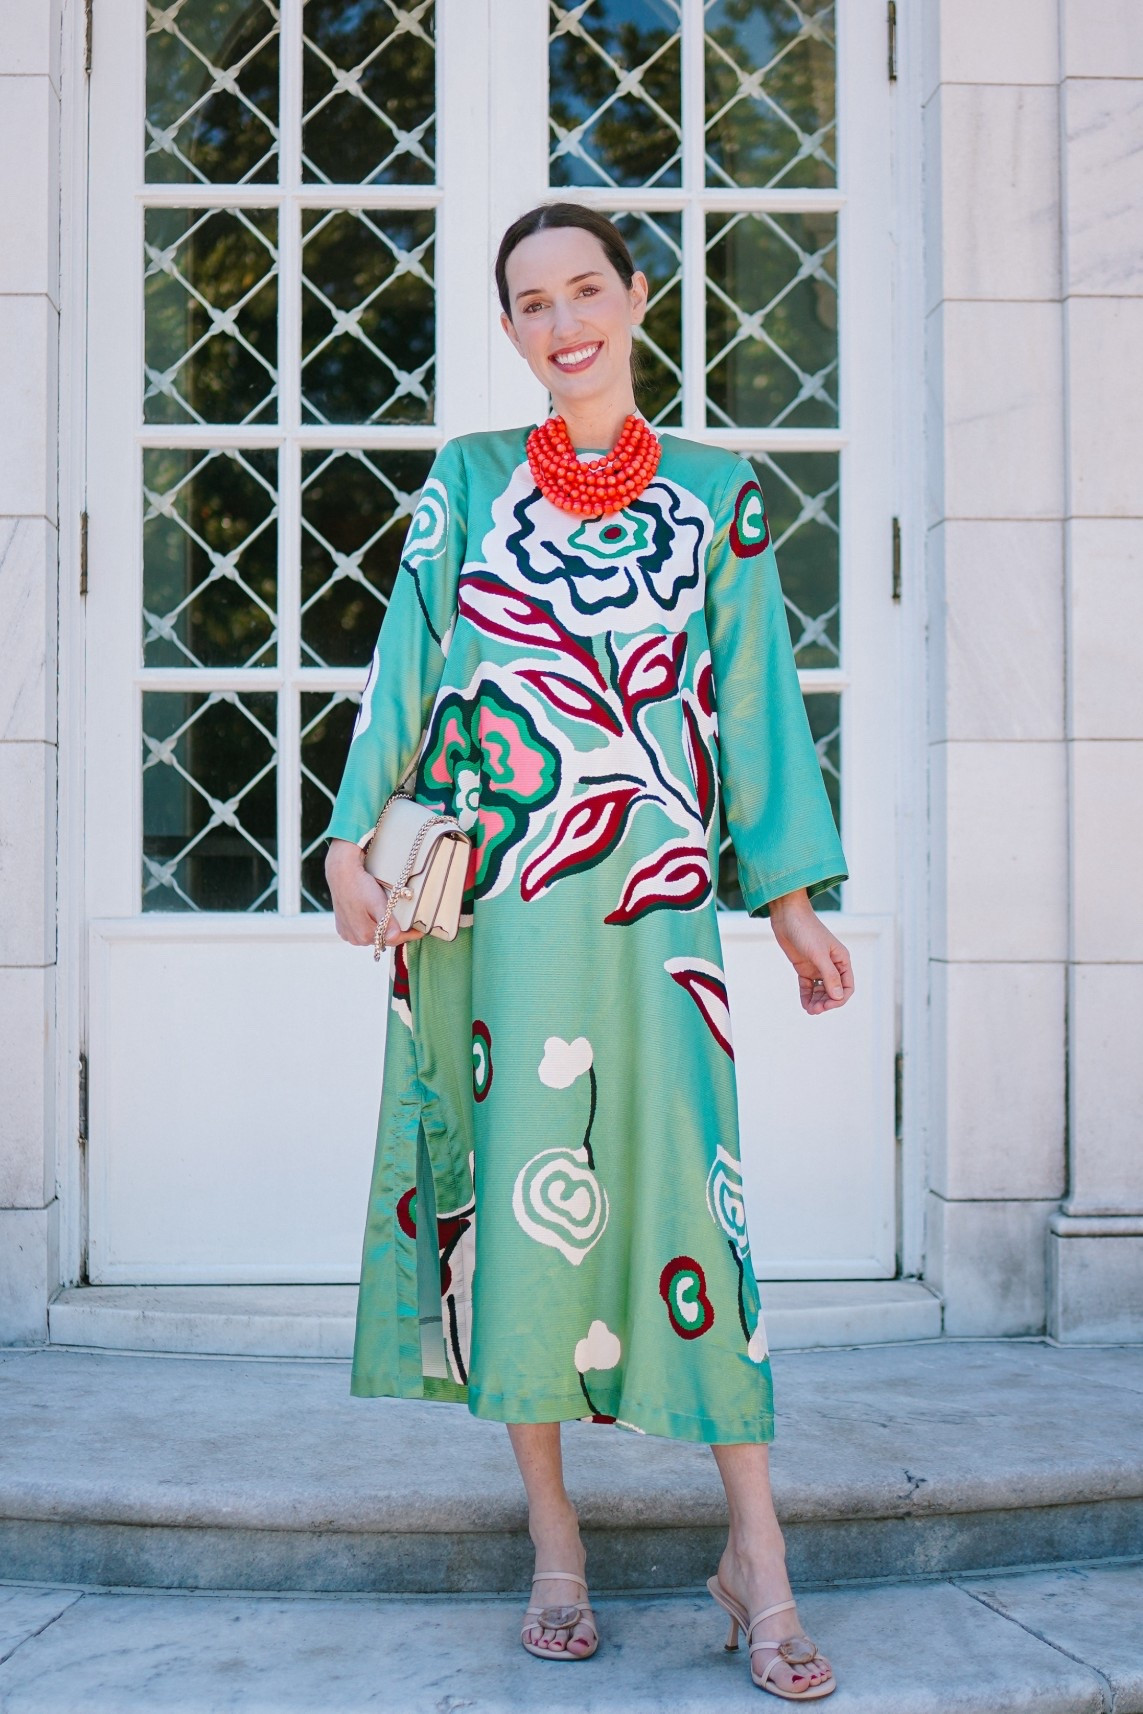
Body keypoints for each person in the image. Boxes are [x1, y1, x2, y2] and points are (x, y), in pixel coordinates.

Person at [324, 202, 853, 1701]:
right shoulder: (468, 482)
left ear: (636, 297)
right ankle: (553, 1538)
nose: (563, 323)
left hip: (660, 905)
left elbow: (755, 708)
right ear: (507, 329)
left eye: (585, 291)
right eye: (529, 303)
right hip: (497, 908)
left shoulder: (717, 495)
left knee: (696, 1198)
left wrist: (794, 900)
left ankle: (760, 1545)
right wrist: (349, 839)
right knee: (517, 1197)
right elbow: (405, 666)